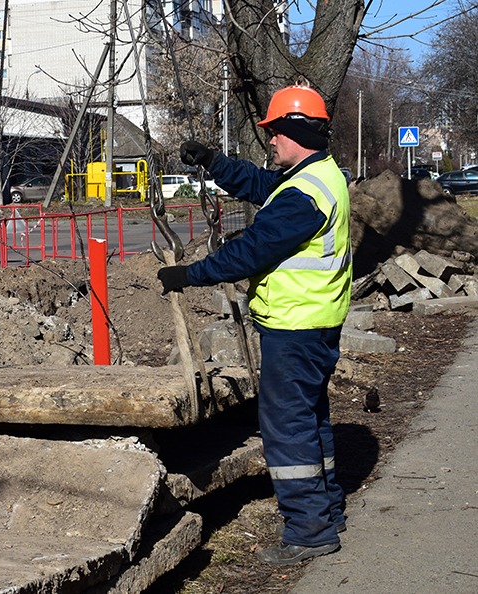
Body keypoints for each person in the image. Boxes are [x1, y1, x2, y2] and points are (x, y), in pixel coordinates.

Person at [158, 84, 352, 566]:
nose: (269, 140)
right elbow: (260, 186)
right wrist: (214, 161)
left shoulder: (302, 197)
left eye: (274, 132)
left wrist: (189, 275)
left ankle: (308, 531)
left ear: (294, 130)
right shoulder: (319, 176)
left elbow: (250, 252)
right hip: (317, 323)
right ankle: (326, 510)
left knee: (287, 427)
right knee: (310, 418)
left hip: (295, 327)